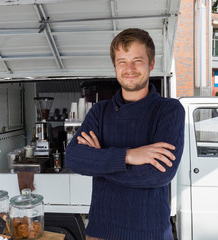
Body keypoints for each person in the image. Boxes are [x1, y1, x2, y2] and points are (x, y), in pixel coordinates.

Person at [65, 28, 185, 240]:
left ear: (151, 64)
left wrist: (99, 160)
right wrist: (129, 155)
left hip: (150, 233)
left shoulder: (169, 110)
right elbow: (74, 159)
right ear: (115, 67)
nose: (129, 68)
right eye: (122, 61)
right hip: (99, 233)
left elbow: (159, 174)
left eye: (137, 60)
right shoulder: (100, 112)